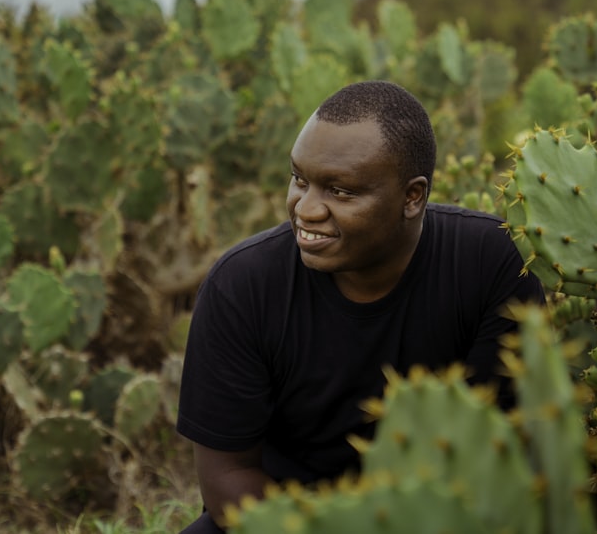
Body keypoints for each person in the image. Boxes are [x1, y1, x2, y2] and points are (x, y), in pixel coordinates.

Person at [175, 80, 545, 533]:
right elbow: (226, 477)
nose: (305, 209)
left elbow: (508, 442)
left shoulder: (489, 264)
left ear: (413, 197)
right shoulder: (241, 286)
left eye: (340, 191)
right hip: (292, 521)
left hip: (443, 514)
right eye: (300, 180)